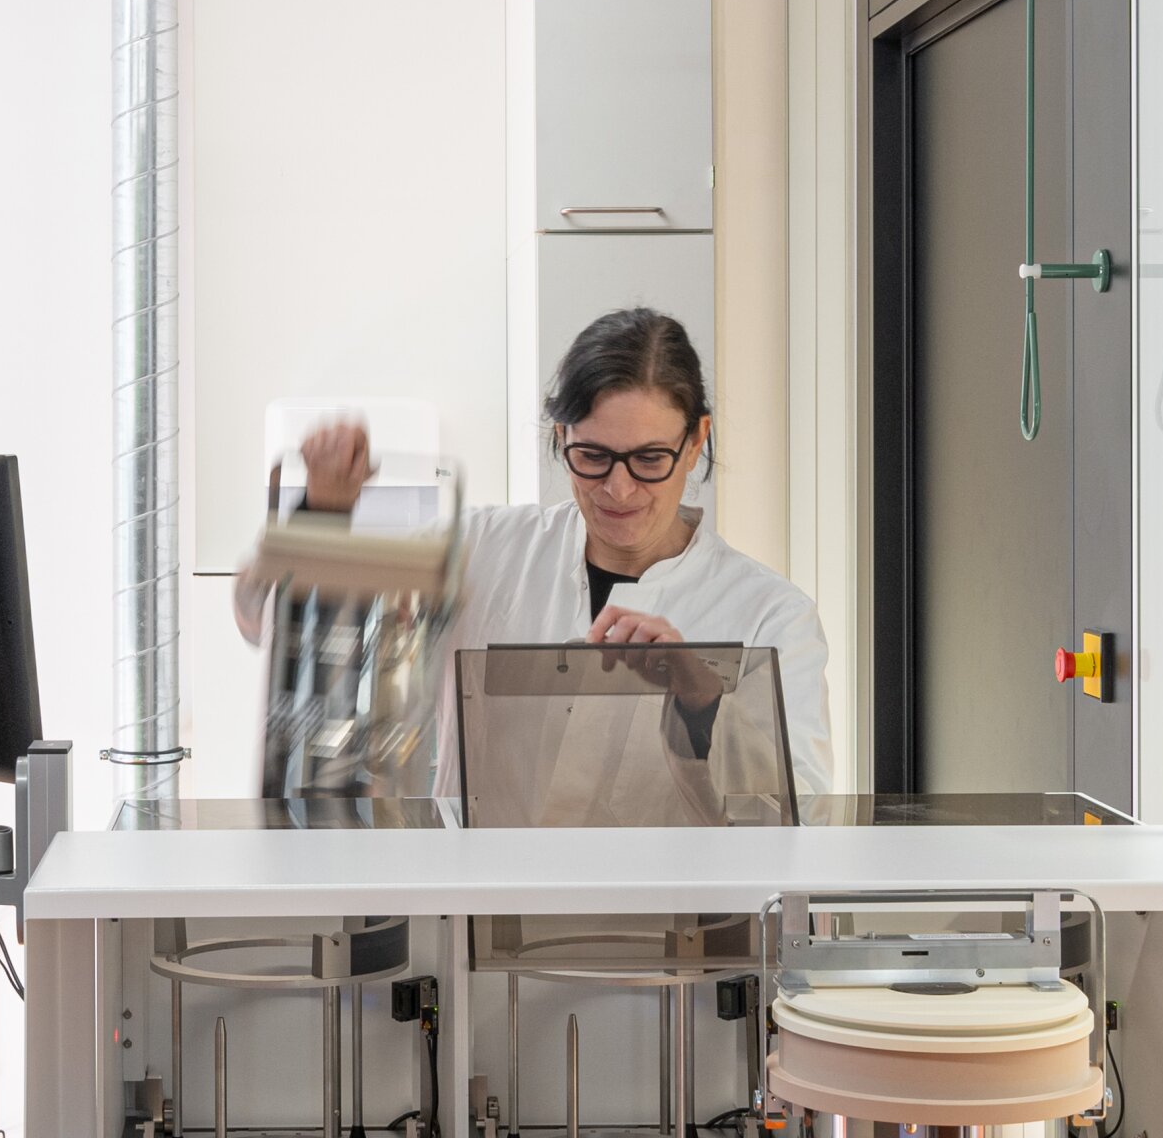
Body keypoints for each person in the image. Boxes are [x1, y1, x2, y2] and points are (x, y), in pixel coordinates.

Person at [234, 303, 833, 793]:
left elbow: (802, 809)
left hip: (667, 907)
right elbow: (270, 620)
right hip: (480, 898)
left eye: (650, 459)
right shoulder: (481, 549)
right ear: (560, 436)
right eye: (592, 456)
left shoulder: (771, 614)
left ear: (696, 439)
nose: (619, 488)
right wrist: (321, 514)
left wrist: (701, 697)